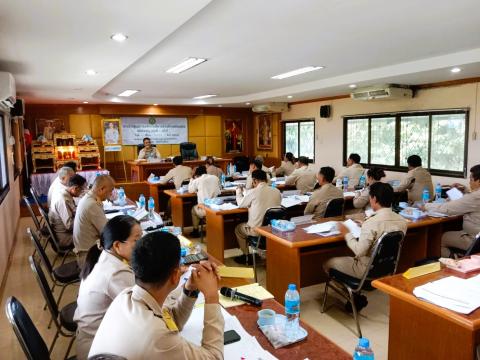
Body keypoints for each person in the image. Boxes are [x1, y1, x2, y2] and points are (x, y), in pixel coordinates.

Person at [88, 231, 224, 359]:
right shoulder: (157, 336)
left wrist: (190, 289)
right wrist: (211, 296)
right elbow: (214, 357)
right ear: (176, 275)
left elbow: (173, 322)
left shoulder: (126, 296)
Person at [323, 182, 407, 312]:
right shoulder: (401, 221)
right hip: (387, 269)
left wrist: (347, 234)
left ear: (374, 199)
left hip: (365, 270)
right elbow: (383, 233)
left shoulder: (372, 222)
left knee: (328, 263)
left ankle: (352, 296)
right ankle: (354, 295)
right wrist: (365, 225)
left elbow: (359, 251)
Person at [74, 216, 142, 360]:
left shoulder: (104, 255)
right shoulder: (115, 273)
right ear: (117, 245)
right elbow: (142, 311)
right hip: (97, 349)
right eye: (137, 240)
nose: (142, 244)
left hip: (91, 336)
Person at [425, 165, 480, 257]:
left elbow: (448, 209)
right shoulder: (475, 196)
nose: (469, 182)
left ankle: (455, 260)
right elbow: (471, 200)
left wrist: (426, 206)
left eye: (471, 179)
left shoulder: (475, 197)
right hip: (476, 234)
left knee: (439, 239)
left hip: (473, 238)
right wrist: (465, 191)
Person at [234, 170, 282, 264]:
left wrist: (238, 192)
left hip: (257, 231)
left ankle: (246, 256)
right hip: (272, 230)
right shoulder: (277, 191)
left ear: (254, 180)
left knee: (238, 229)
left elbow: (240, 204)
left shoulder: (253, 192)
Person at [73, 175, 115, 265]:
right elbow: (107, 233)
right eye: (110, 191)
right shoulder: (92, 204)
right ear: (102, 189)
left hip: (88, 249)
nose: (111, 194)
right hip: (88, 256)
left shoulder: (88, 198)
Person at [48, 174, 86, 247]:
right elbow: (69, 225)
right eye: (82, 189)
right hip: (65, 237)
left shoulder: (64, 192)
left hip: (65, 232)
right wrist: (84, 219)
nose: (82, 192)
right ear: (75, 188)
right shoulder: (63, 200)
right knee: (94, 235)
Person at [188, 165, 221, 238]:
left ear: (197, 175)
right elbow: (219, 189)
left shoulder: (198, 180)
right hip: (216, 207)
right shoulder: (215, 177)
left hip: (206, 209)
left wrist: (192, 179)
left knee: (193, 209)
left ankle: (195, 231)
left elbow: (190, 190)